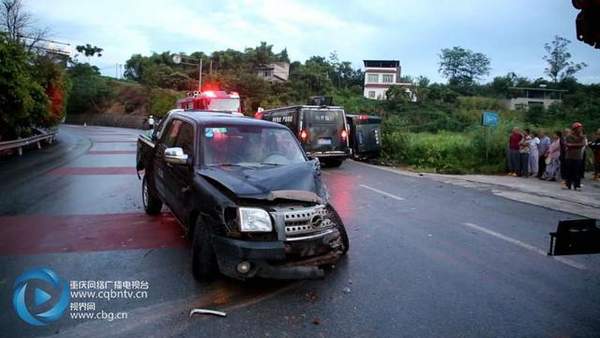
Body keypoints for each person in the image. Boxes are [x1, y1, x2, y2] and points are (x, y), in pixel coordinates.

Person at [564, 122, 587, 190]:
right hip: (569, 156)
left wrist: (573, 145)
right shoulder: (569, 136)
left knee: (577, 171)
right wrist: (577, 144)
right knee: (569, 171)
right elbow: (568, 144)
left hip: (578, 156)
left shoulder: (582, 136)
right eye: (579, 128)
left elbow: (582, 144)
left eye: (581, 128)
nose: (580, 129)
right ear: (575, 129)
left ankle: (577, 185)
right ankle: (568, 184)